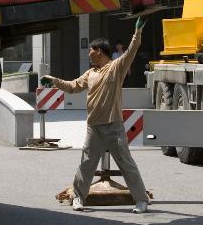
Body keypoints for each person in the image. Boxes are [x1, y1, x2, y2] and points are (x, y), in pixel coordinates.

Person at [41, 21, 149, 214]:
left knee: (127, 164)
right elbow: (73, 86)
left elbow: (132, 50)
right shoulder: (90, 73)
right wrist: (54, 81)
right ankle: (78, 198)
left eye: (90, 50)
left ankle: (141, 200)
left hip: (114, 126)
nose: (88, 53)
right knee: (86, 165)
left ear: (99, 51)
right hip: (94, 127)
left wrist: (137, 31)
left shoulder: (116, 67)